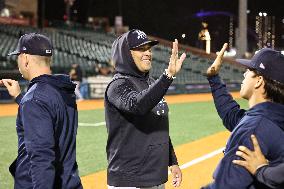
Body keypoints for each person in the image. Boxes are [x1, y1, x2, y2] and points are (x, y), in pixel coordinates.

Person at [104, 29, 186, 189]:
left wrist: (172, 161)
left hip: (155, 178)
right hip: (130, 180)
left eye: (149, 48)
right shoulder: (118, 85)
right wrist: (168, 75)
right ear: (126, 54)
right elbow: (138, 105)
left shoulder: (151, 83)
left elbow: (158, 125)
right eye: (141, 49)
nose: (148, 53)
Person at [1, 33, 83, 189]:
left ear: (25, 58)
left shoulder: (34, 99)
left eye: (18, 56)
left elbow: (41, 159)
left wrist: (26, 100)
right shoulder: (64, 90)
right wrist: (20, 98)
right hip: (69, 182)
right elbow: (50, 117)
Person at [202, 44, 284, 189]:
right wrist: (214, 78)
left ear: (259, 80)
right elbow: (232, 115)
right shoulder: (272, 117)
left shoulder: (254, 128)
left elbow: (224, 186)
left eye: (249, 70)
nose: (244, 74)